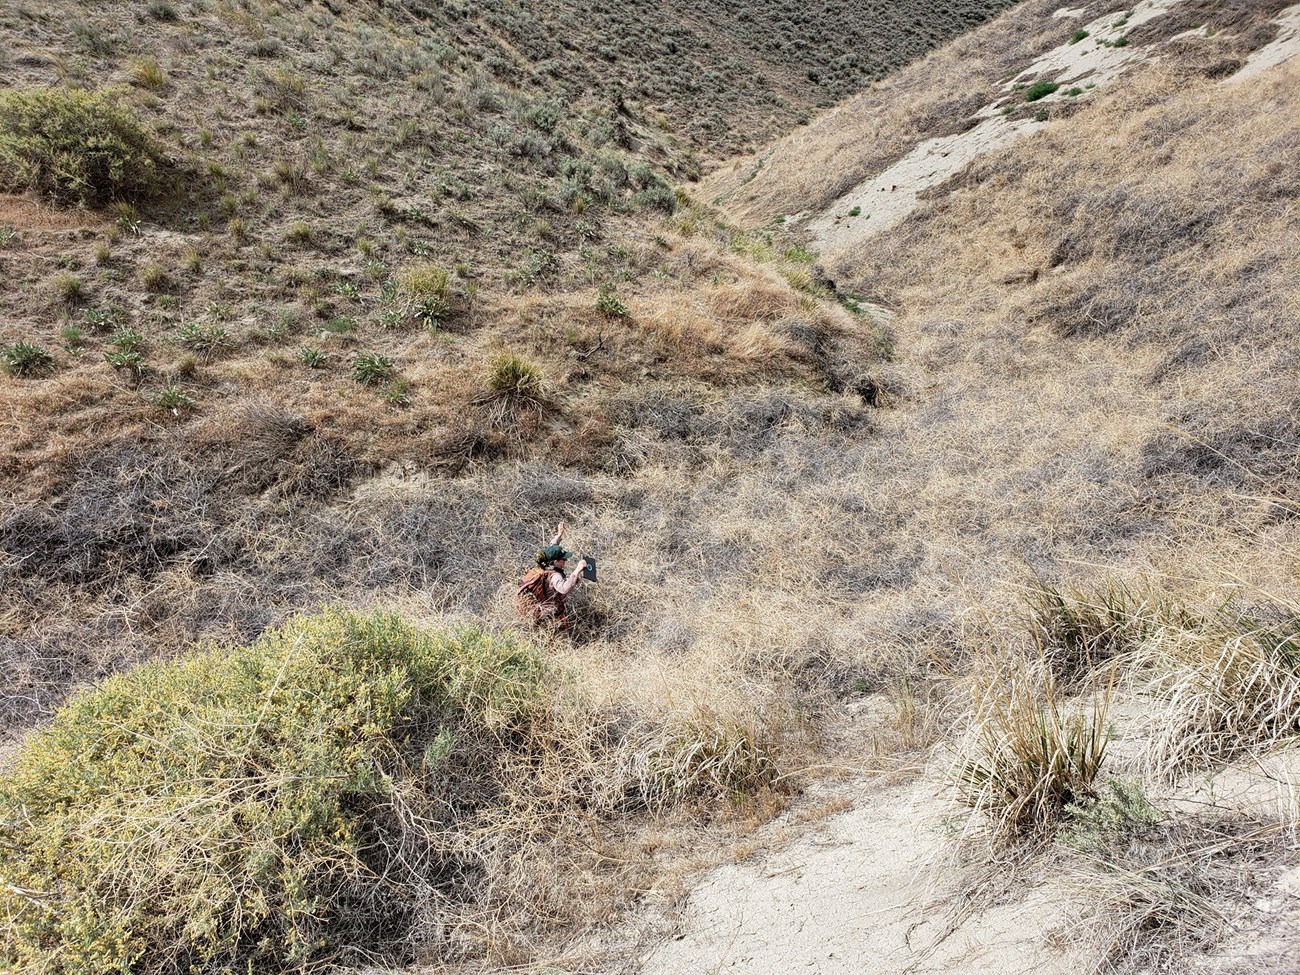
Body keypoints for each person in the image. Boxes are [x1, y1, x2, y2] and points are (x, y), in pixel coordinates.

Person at [516, 522, 589, 631]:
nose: (565, 560)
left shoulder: (545, 562)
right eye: (563, 559)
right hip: (548, 615)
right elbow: (564, 589)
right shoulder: (555, 576)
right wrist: (577, 570)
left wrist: (559, 534)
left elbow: (553, 546)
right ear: (555, 561)